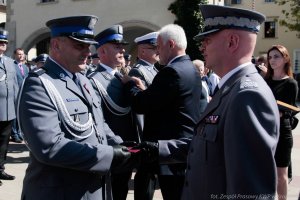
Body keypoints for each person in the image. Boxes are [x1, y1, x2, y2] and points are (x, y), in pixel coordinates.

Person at [17, 15, 138, 200]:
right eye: (79, 45)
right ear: (56, 45)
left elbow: (98, 124)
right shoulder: (39, 84)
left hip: (94, 187)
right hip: (61, 191)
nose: (88, 52)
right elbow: (50, 146)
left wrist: (120, 145)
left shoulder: (82, 79)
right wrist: (109, 155)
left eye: (88, 46)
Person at [181, 5, 280, 199]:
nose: (202, 47)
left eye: (207, 40)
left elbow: (250, 192)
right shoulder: (232, 89)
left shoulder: (247, 96)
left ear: (232, 42)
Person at [122, 24, 202, 200]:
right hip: (184, 147)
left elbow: (141, 104)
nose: (157, 51)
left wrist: (130, 84)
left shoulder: (172, 72)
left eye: (159, 46)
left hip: (172, 153)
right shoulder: (190, 68)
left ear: (171, 44)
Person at [87, 24, 140, 200]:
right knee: (111, 192)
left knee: (122, 189)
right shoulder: (94, 81)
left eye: (122, 47)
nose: (122, 50)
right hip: (111, 147)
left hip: (128, 145)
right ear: (102, 52)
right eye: (116, 47)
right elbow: (97, 119)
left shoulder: (122, 76)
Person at [128, 31, 160, 200]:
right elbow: (139, 108)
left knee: (150, 177)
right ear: (141, 52)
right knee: (145, 179)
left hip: (154, 131)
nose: (158, 51)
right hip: (146, 132)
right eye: (153, 48)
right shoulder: (138, 71)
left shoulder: (154, 69)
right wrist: (142, 139)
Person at [264, 45, 298, 200]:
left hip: (282, 132)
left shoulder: (291, 83)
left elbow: (285, 111)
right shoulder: (265, 81)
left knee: (281, 174)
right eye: (270, 57)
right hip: (264, 129)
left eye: (276, 56)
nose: (272, 60)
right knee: (264, 171)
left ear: (285, 58)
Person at [0, 29, 18, 186]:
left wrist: (17, 106)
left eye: (5, 42)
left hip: (8, 111)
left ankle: (0, 168)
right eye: (0, 42)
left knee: (4, 143)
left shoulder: (9, 62)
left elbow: (15, 86)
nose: (3, 44)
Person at [11, 48, 29, 143]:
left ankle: (19, 132)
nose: (21, 56)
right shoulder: (12, 66)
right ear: (15, 55)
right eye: (19, 54)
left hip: (23, 93)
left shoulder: (25, 67)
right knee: (14, 115)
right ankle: (14, 134)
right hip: (14, 93)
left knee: (20, 114)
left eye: (22, 54)